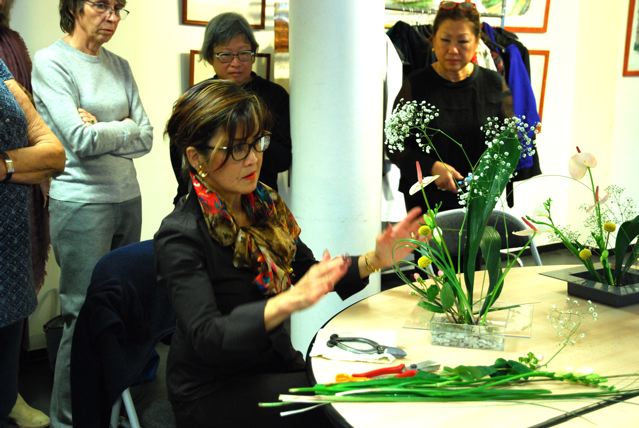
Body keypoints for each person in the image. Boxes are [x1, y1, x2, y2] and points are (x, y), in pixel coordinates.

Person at [156, 79, 424, 428]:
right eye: (237, 149)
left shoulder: (261, 203)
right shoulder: (181, 234)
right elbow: (208, 337)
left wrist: (375, 260)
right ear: (197, 158)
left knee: (371, 384)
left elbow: (306, 270)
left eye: (257, 143)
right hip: (214, 389)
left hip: (271, 361)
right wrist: (291, 300)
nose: (253, 159)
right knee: (345, 406)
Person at [31, 1, 153, 426]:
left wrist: (101, 126)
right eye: (102, 5)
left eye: (119, 8)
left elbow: (147, 136)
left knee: (120, 314)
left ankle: (110, 412)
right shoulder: (51, 62)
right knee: (80, 317)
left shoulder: (120, 65)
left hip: (127, 197)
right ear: (74, 7)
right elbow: (78, 140)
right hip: (81, 201)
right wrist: (122, 126)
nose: (113, 16)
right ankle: (67, 420)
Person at [387, 1, 513, 213]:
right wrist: (431, 167)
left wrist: (489, 179)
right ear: (433, 39)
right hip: (425, 202)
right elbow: (393, 145)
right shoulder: (415, 85)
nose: (453, 50)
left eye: (463, 41)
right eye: (445, 40)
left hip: (477, 204)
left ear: (476, 42)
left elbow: (508, 144)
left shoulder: (493, 84)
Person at [0, 59, 65, 428]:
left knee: (7, 342)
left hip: (9, 243)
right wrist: (23, 166)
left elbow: (53, 154)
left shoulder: (0, 69)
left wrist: (3, 165)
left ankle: (8, 398)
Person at [171, 12, 291, 202]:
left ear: (253, 55)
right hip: (205, 201)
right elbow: (180, 156)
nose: (236, 63)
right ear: (210, 57)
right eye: (225, 55)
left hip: (259, 201)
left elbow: (283, 158)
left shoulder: (274, 96)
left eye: (243, 54)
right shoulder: (198, 98)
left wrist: (250, 141)